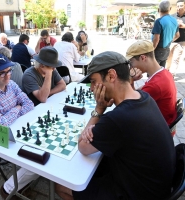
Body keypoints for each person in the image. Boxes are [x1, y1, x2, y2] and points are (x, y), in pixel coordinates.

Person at [56, 51, 176, 200]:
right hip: (157, 185)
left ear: (112, 76)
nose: (92, 88)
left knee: (62, 186)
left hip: (139, 193)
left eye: (93, 81)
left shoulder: (118, 119)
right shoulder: (144, 97)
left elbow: (83, 147)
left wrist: (99, 109)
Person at [0, 54, 37, 199]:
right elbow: (2, 125)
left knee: (40, 144)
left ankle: (22, 181)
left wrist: (12, 113)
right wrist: (17, 109)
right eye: (2, 73)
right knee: (33, 155)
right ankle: (12, 188)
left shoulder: (12, 85)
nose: (7, 76)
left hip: (18, 126)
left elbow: (30, 104)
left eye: (9, 70)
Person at [126, 40, 177, 131]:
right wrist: (132, 81)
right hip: (165, 123)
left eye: (131, 63)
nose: (131, 67)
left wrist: (129, 80)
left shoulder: (155, 85)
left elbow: (129, 105)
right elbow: (136, 94)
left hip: (159, 131)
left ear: (143, 58)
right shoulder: (163, 73)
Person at [152, 0, 179, 67]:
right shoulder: (174, 20)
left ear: (158, 10)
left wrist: (151, 50)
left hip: (158, 50)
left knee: (153, 72)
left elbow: (156, 39)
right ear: (170, 9)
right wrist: (169, 41)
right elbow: (177, 35)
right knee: (161, 71)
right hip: (166, 49)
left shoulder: (159, 21)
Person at [166, 0, 185, 76]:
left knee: (176, 59)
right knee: (168, 58)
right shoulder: (172, 16)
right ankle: (167, 71)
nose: (179, 8)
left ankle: (171, 75)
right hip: (171, 40)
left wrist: (183, 26)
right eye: (178, 6)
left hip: (181, 41)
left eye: (181, 6)